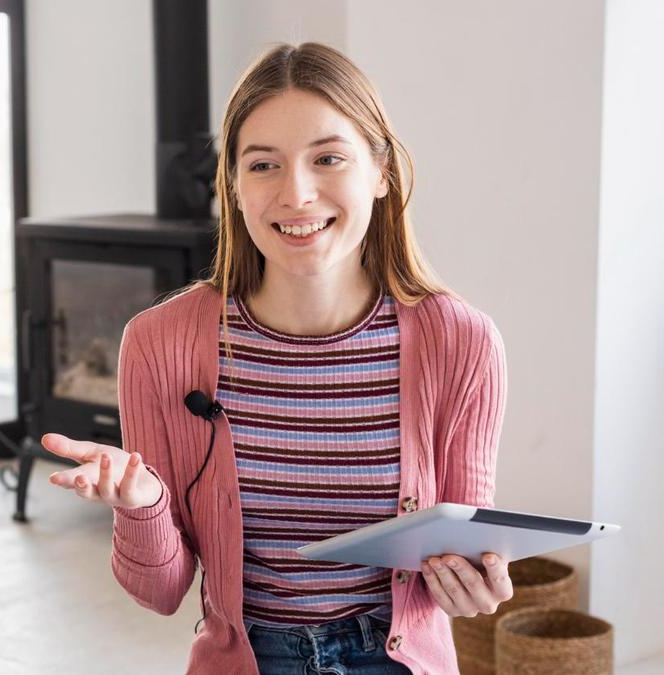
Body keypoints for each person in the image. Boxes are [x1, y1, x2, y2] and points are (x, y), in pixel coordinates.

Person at [41, 42, 511, 675]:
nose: (296, 193)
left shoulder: (461, 343)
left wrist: (470, 586)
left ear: (380, 173)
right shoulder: (160, 343)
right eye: (264, 165)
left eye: (328, 158)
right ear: (232, 187)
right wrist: (143, 504)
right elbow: (159, 592)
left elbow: (454, 566)